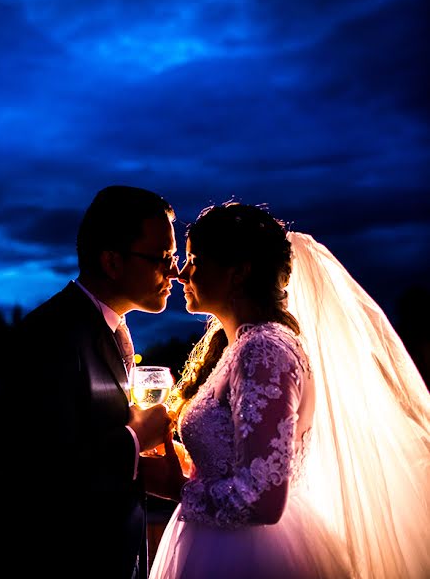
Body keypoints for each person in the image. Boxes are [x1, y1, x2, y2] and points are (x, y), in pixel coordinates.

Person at [145, 202, 430, 579]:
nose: (182, 272)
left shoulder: (265, 351)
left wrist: (178, 488)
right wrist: (186, 459)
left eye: (195, 258)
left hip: (248, 556)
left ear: (239, 272)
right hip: (217, 542)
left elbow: (262, 499)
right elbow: (245, 455)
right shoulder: (241, 347)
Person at [0, 185, 176, 579]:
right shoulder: (50, 334)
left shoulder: (106, 330)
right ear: (111, 261)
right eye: (162, 257)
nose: (173, 271)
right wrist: (137, 438)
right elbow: (43, 469)